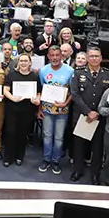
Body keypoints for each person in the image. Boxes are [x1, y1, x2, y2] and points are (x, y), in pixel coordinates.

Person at [69, 46, 109, 183]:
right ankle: (78, 170)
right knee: (79, 145)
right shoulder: (78, 73)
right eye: (92, 56)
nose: (94, 58)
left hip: (100, 117)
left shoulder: (108, 74)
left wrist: (98, 112)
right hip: (83, 115)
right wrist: (88, 111)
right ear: (87, 58)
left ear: (101, 58)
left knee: (98, 147)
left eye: (97, 56)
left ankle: (95, 173)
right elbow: (75, 94)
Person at [37, 46, 74, 174]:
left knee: (59, 137)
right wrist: (40, 109)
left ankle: (56, 160)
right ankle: (46, 159)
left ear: (62, 56)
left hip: (62, 111)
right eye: (52, 55)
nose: (55, 58)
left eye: (57, 55)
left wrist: (65, 103)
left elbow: (73, 91)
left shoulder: (70, 71)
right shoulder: (43, 71)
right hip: (47, 109)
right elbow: (41, 91)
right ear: (48, 56)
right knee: (47, 136)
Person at [2, 54, 41, 168]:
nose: (23, 63)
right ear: (18, 63)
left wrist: (37, 100)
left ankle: (20, 156)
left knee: (22, 134)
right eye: (21, 61)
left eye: (26, 61)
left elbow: (38, 92)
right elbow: (5, 90)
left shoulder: (34, 76)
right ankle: (8, 157)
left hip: (27, 109)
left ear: (30, 63)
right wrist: (13, 98)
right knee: (10, 132)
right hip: (12, 108)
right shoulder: (12, 74)